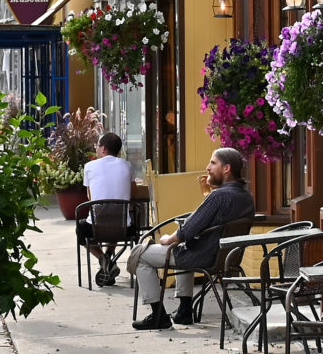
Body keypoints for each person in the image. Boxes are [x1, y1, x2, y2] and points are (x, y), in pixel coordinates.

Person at [132, 148, 254, 330]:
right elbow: (207, 222)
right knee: (186, 246)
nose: (207, 168)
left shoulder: (219, 196)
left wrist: (168, 239)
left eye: (213, 163)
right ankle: (184, 311)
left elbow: (187, 231)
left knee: (139, 254)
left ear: (226, 168)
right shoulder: (246, 197)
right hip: (225, 258)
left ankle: (158, 316)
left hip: (202, 256)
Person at [80, 132, 134, 285]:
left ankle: (104, 260)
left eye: (97, 146)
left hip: (96, 227)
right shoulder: (127, 165)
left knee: (81, 230)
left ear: (103, 149)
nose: (96, 149)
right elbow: (134, 193)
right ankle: (109, 256)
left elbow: (90, 197)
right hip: (123, 228)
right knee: (118, 217)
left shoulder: (89, 166)